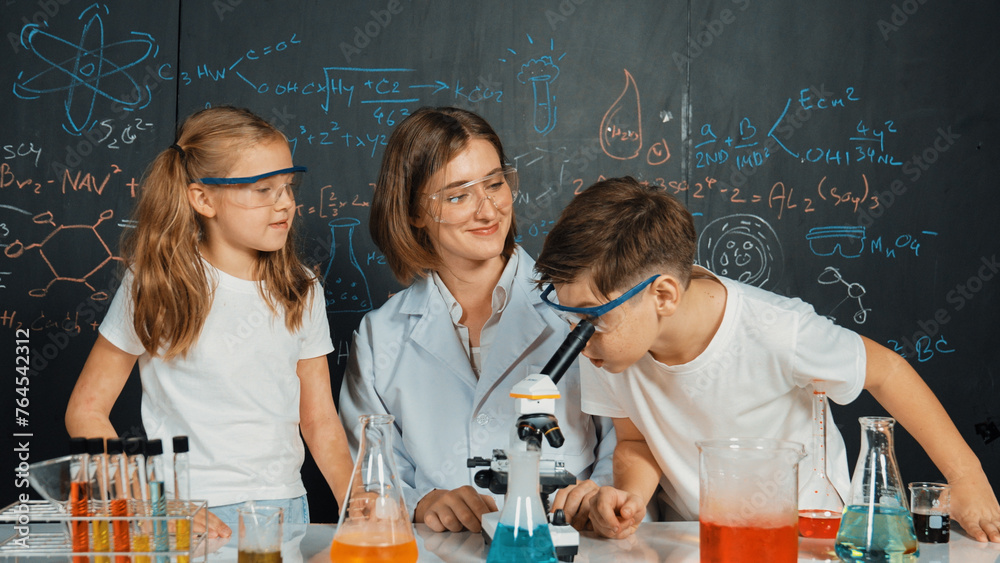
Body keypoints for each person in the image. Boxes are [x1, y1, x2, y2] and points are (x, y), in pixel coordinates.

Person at [533, 176, 1000, 542]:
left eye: (591, 318)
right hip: (696, 538)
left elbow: (886, 370)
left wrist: (967, 478)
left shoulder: (777, 330)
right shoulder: (611, 350)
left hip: (802, 536)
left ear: (663, 295)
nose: (578, 338)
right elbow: (635, 441)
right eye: (568, 316)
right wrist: (631, 500)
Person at [65, 106, 353, 537]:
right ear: (202, 199)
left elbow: (319, 419)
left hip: (286, 507)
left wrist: (361, 499)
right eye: (263, 190)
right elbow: (86, 410)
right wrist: (152, 502)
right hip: (188, 512)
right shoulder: (156, 283)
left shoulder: (301, 286)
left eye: (288, 187)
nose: (286, 204)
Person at [339, 106, 615, 533]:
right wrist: (421, 502)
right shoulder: (381, 336)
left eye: (495, 184)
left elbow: (626, 435)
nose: (488, 211)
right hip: (442, 549)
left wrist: (597, 495)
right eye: (458, 195)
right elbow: (367, 468)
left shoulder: (575, 303)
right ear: (413, 212)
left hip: (571, 541)